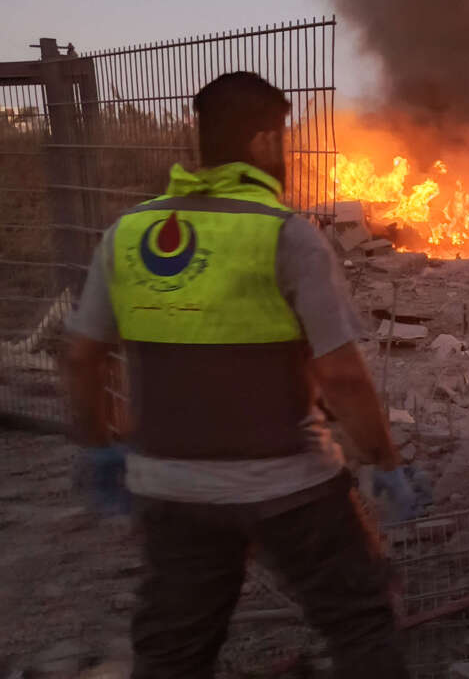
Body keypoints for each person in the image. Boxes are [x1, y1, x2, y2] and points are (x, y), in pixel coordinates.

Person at [60, 71, 411, 678]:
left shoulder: (129, 233)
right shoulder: (285, 234)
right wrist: (386, 462)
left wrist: (100, 449)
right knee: (362, 623)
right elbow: (343, 377)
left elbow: (82, 357)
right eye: (283, 142)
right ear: (264, 144)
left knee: (173, 652)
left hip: (171, 487)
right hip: (288, 485)